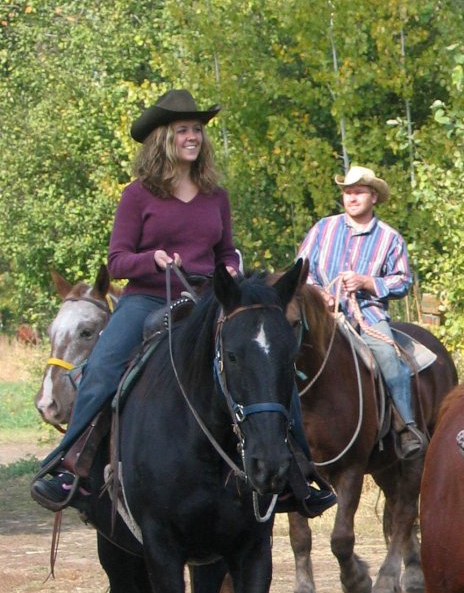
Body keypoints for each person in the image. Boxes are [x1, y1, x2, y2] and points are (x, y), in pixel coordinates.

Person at [31, 88, 336, 518]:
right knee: (102, 367)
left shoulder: (217, 196)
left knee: (267, 362)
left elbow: (226, 251)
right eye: (183, 130)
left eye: (197, 130)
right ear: (163, 139)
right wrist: (151, 259)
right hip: (146, 297)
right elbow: (118, 260)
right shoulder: (138, 195)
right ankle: (72, 466)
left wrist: (230, 268)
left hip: (207, 299)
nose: (193, 137)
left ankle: (297, 475)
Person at [298, 165, 427, 459]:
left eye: (358, 192)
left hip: (366, 316)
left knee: (387, 357)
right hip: (321, 318)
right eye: (347, 192)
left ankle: (405, 426)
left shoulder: (389, 238)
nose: (351, 198)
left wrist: (367, 282)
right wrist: (318, 294)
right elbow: (301, 271)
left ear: (374, 197)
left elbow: (403, 280)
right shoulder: (323, 229)